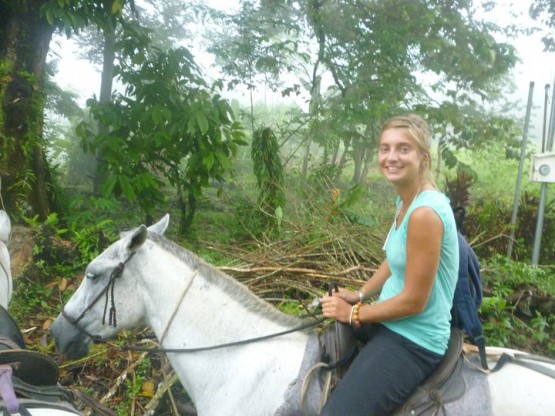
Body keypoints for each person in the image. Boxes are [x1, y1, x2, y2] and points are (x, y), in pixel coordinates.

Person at [320, 114, 459, 415]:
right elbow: (393, 259)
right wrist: (358, 295)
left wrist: (355, 313)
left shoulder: (425, 213)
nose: (391, 157)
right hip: (388, 319)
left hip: (414, 337)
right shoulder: (405, 200)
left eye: (403, 149)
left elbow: (414, 302)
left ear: (423, 157)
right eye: (385, 148)